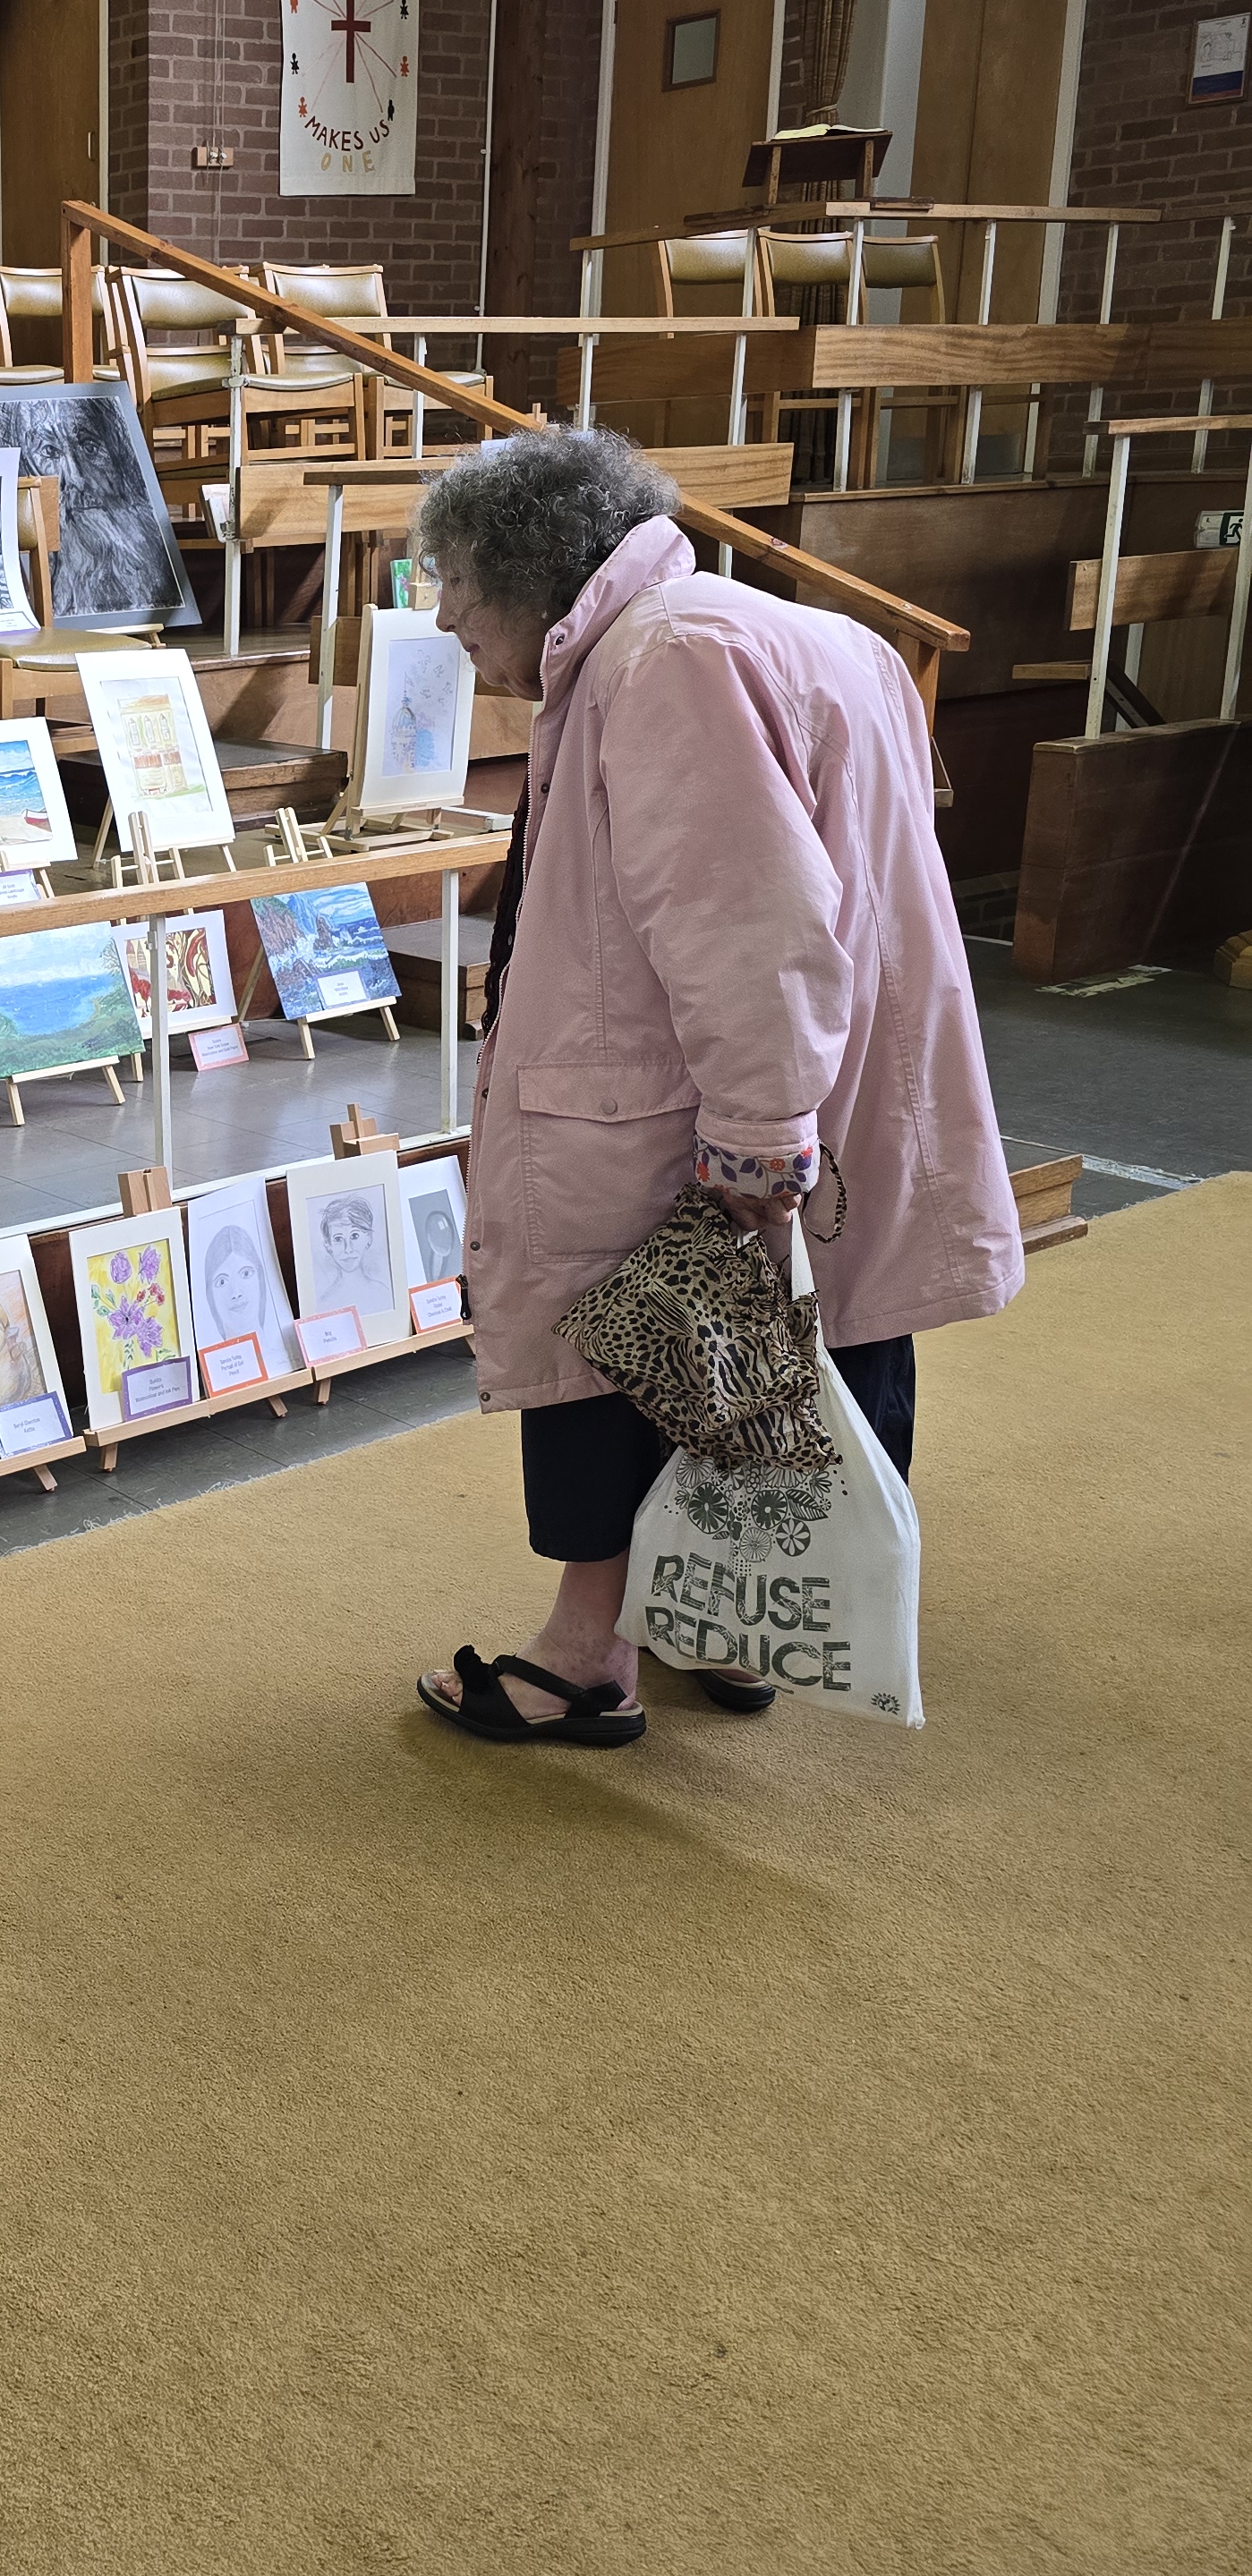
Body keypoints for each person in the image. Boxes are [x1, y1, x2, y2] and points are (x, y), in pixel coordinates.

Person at [412, 429, 1021, 1746]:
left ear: (525, 565)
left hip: (697, 1091)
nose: (446, 616)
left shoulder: (665, 656)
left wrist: (757, 1128)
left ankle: (590, 1656)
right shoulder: (800, 634)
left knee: (635, 1348)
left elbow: (748, 918)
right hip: (826, 1080)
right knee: (789, 1340)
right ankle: (725, 1624)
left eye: (453, 580)